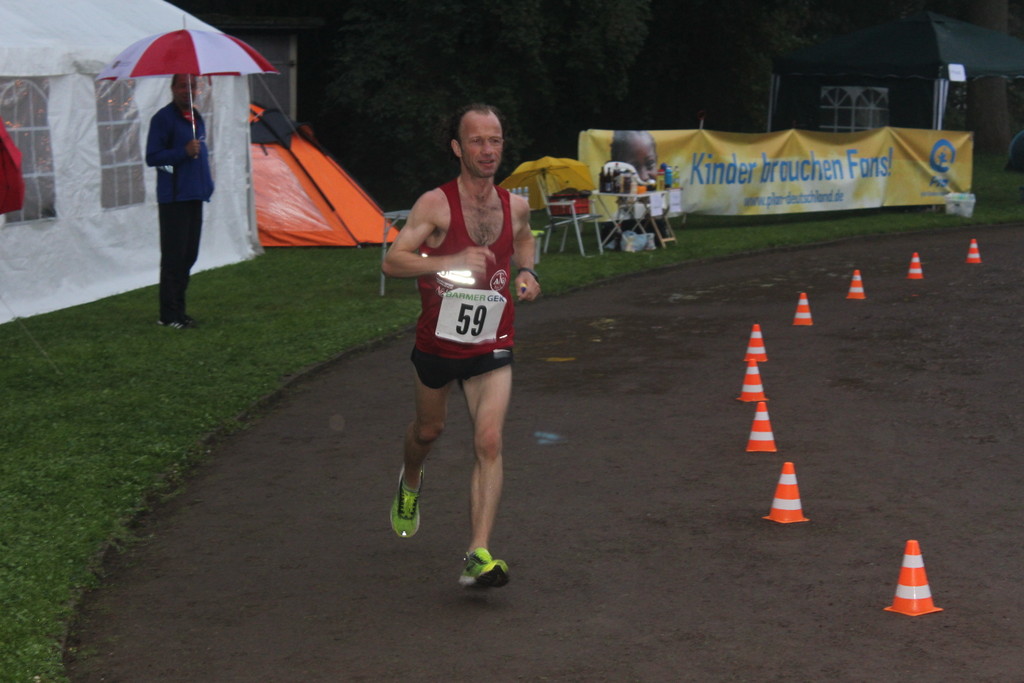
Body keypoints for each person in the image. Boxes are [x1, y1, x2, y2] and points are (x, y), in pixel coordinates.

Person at [381, 103, 540, 588]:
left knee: (489, 440)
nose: (487, 150)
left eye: (495, 140)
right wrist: (447, 261)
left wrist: (527, 271)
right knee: (428, 431)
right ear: (457, 147)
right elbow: (393, 261)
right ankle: (410, 481)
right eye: (476, 140)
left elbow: (525, 237)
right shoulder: (435, 204)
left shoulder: (515, 205)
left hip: (493, 340)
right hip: (439, 343)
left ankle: (478, 553)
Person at [146, 73, 214, 329]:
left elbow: (200, 156)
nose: (188, 90)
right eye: (183, 86)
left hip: (195, 194)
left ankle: (179, 310)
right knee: (174, 258)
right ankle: (168, 315)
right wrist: (181, 153)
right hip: (174, 198)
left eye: (192, 86)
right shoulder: (163, 119)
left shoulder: (196, 118)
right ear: (173, 88)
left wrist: (206, 184)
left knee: (188, 256)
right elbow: (154, 159)